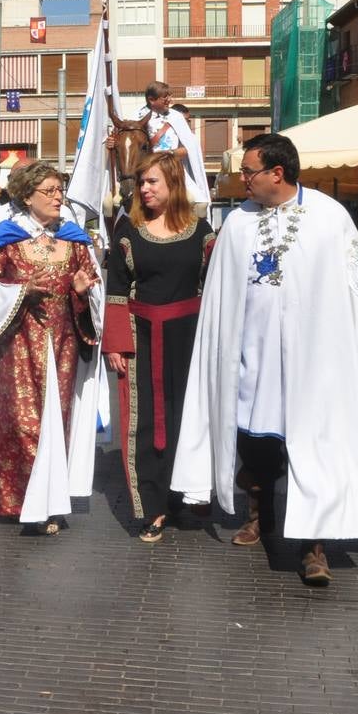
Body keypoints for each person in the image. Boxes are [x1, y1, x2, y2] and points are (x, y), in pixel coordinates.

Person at [172, 133, 358, 585]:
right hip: (252, 361)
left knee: (315, 449)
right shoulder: (237, 223)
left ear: (278, 172)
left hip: (316, 364)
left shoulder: (330, 219)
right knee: (256, 446)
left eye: (249, 171)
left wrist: (346, 352)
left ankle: (315, 549)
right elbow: (220, 296)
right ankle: (260, 516)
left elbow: (353, 294)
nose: (242, 180)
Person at [0, 162, 104, 533]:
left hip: (63, 343)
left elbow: (93, 293)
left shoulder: (75, 240)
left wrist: (81, 293)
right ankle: (24, 501)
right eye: (50, 191)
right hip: (20, 343)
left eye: (60, 190)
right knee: (24, 424)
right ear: (28, 197)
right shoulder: (6, 238)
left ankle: (52, 503)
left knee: (58, 422)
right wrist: (22, 291)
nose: (59, 197)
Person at [102, 152, 215, 542]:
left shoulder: (202, 232)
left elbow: (217, 287)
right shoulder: (127, 231)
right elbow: (116, 288)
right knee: (146, 422)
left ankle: (187, 497)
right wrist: (116, 342)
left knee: (191, 416)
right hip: (142, 334)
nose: (143, 189)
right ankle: (152, 508)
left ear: (173, 184)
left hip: (191, 337)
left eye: (152, 182)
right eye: (141, 182)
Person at [135, 81, 210, 205]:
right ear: (152, 99)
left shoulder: (176, 117)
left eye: (169, 96)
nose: (170, 100)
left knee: (200, 203)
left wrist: (168, 154)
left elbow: (188, 149)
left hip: (174, 171)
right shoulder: (135, 117)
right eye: (165, 97)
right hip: (145, 174)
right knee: (115, 206)